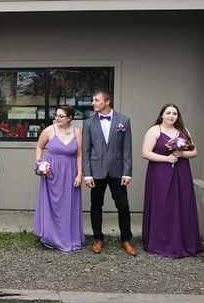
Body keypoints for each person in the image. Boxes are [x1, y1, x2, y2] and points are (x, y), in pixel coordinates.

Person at [142, 104, 202, 258]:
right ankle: (161, 242)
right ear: (162, 115)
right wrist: (167, 159)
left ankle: (183, 241)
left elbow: (194, 151)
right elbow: (145, 153)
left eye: (174, 113)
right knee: (163, 205)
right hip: (160, 173)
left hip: (181, 173)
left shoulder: (183, 131)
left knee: (182, 204)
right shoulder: (154, 130)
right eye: (168, 113)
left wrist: (182, 154)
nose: (171, 116)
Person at [82, 90, 136, 256]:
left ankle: (126, 239)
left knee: (123, 205)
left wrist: (127, 172)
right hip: (96, 171)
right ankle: (98, 238)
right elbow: (86, 150)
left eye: (96, 100)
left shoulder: (123, 120)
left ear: (107, 101)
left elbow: (127, 148)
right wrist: (87, 174)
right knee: (96, 205)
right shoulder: (88, 122)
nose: (93, 103)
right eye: (93, 100)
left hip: (117, 170)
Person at [33, 105, 84, 252]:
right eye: (56, 115)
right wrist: (40, 163)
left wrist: (79, 174)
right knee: (52, 204)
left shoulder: (77, 132)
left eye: (61, 116)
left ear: (70, 118)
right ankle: (49, 237)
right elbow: (39, 147)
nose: (57, 118)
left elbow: (79, 154)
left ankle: (68, 237)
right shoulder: (49, 130)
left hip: (70, 172)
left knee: (68, 205)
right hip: (52, 172)